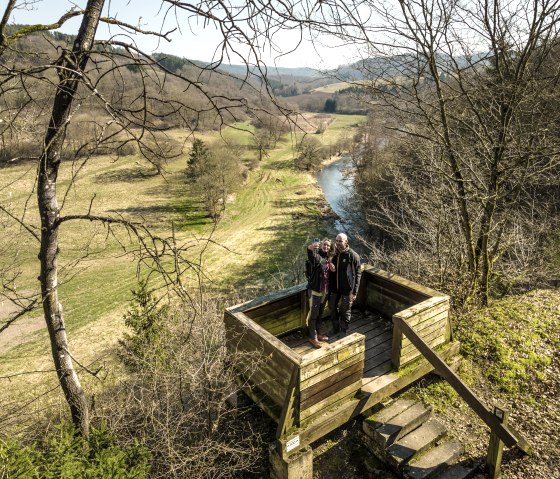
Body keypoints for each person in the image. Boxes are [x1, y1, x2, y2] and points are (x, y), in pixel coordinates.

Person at [328, 233, 361, 338]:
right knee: (332, 308)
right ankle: (335, 328)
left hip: (347, 289)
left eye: (340, 241)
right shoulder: (333, 253)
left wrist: (354, 292)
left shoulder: (353, 255)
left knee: (345, 310)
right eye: (336, 241)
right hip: (334, 287)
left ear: (346, 242)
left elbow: (357, 274)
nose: (337, 243)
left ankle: (343, 330)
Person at [306, 238, 335, 349]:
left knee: (320, 313)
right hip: (315, 291)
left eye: (328, 245)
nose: (326, 247)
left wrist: (333, 269)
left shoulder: (329, 258)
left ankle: (317, 333)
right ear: (321, 245)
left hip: (325, 290)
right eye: (324, 245)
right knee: (313, 314)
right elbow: (311, 256)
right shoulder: (317, 256)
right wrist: (309, 248)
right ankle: (312, 337)